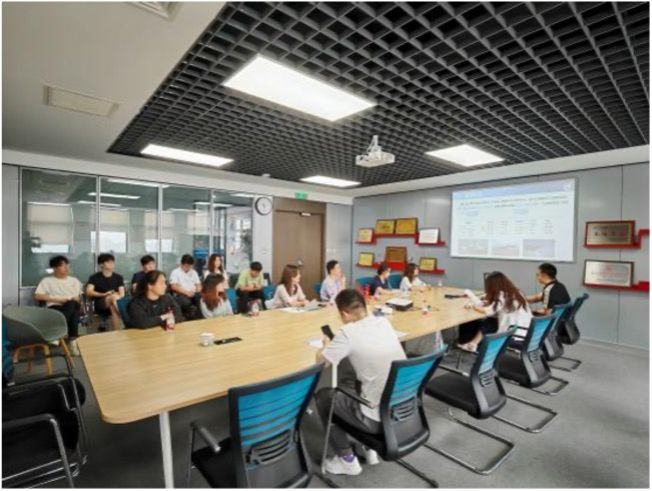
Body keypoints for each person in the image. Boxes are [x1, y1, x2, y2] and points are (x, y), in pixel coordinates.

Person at [314, 289, 406, 476]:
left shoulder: (347, 332)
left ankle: (347, 460)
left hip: (377, 419)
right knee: (356, 377)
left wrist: (324, 346)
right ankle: (368, 449)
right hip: (403, 410)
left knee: (324, 397)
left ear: (345, 313)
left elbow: (320, 363)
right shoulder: (383, 322)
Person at [459, 271, 532, 351]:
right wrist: (490, 302)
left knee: (490, 320)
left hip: (515, 336)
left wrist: (473, 306)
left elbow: (487, 311)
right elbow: (499, 308)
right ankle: (473, 343)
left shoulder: (502, 295)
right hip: (527, 332)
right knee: (492, 320)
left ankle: (473, 344)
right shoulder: (517, 292)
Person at [33, 256, 83, 356]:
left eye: (67, 265)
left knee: (72, 304)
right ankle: (73, 343)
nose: (67, 268)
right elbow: (37, 296)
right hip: (55, 308)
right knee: (74, 313)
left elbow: (78, 298)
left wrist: (72, 299)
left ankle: (56, 333)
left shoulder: (74, 281)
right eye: (63, 266)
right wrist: (59, 299)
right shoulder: (47, 281)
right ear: (55, 268)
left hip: (71, 306)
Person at [86, 253, 126, 331]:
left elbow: (122, 294)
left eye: (112, 262)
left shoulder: (119, 277)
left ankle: (117, 332)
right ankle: (126, 316)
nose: (112, 264)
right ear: (101, 264)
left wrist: (113, 295)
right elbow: (89, 292)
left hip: (115, 302)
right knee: (113, 297)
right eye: (108, 262)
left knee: (113, 306)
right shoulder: (94, 277)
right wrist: (104, 294)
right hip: (101, 303)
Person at [169, 254, 201, 319]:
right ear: (182, 264)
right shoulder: (175, 272)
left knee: (200, 299)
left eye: (190, 266)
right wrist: (187, 293)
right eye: (187, 266)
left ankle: (200, 317)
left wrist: (197, 292)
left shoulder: (193, 272)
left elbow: (198, 285)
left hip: (193, 294)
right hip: (181, 294)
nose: (189, 268)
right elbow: (173, 286)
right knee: (186, 302)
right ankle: (190, 317)